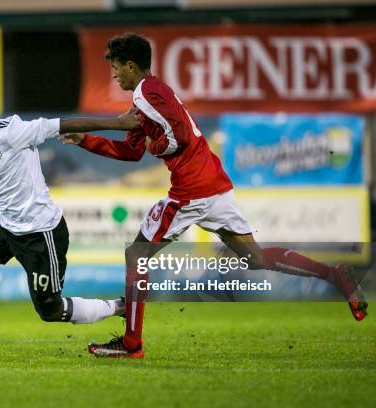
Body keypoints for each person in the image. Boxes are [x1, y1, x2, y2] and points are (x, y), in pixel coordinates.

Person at [61, 33, 368, 359]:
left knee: (137, 255)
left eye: (116, 67)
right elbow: (132, 152)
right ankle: (335, 274)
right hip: (213, 185)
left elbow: (177, 136)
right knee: (255, 258)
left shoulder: (146, 95)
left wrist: (159, 146)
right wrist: (86, 141)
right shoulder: (153, 95)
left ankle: (132, 343)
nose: (113, 74)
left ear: (132, 66)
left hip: (191, 192)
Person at [0, 89, 139, 358]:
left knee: (51, 311)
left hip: (41, 233)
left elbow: (61, 125)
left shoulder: (13, 132)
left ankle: (120, 307)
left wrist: (117, 123)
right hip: (4, 226)